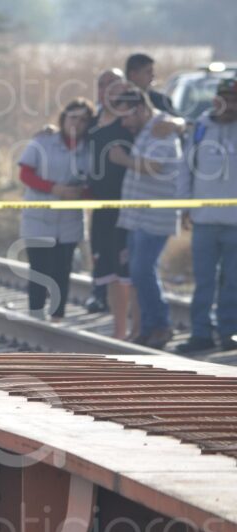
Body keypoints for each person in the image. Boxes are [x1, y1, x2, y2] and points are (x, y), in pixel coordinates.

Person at [109, 87, 182, 349]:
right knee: (140, 273)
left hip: (155, 217)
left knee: (142, 271)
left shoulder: (160, 128)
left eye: (127, 116)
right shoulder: (146, 130)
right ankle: (150, 327)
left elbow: (155, 166)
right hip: (138, 217)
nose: (124, 123)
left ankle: (160, 325)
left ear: (140, 109)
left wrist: (123, 159)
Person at [17, 98, 93, 321]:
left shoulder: (89, 149)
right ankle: (36, 315)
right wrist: (54, 188)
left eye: (83, 120)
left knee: (63, 269)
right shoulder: (43, 141)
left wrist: (80, 193)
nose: (77, 124)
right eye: (73, 118)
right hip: (39, 217)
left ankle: (58, 316)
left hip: (69, 220)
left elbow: (95, 184)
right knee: (39, 269)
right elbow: (25, 174)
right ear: (63, 118)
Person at [176, 78, 237, 353]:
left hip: (234, 222)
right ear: (216, 101)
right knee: (204, 282)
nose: (230, 105)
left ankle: (229, 332)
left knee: (233, 282)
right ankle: (201, 332)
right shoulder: (201, 128)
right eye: (226, 98)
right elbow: (186, 168)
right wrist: (184, 207)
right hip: (204, 220)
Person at [84, 69, 126, 315]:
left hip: (127, 197)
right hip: (99, 197)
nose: (108, 89)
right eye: (103, 84)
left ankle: (123, 301)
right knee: (99, 247)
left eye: (113, 83)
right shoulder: (91, 120)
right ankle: (98, 294)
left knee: (122, 250)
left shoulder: (129, 118)